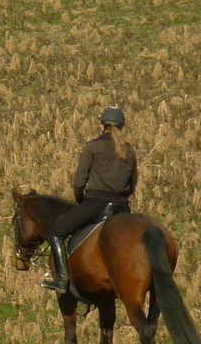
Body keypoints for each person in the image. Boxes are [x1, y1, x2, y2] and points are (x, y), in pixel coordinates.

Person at [41, 106, 138, 293]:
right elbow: (132, 184)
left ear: (102, 126)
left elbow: (79, 181)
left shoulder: (92, 147)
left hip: (96, 204)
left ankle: (61, 279)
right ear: (122, 126)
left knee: (56, 232)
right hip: (122, 207)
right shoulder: (129, 151)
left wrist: (81, 200)